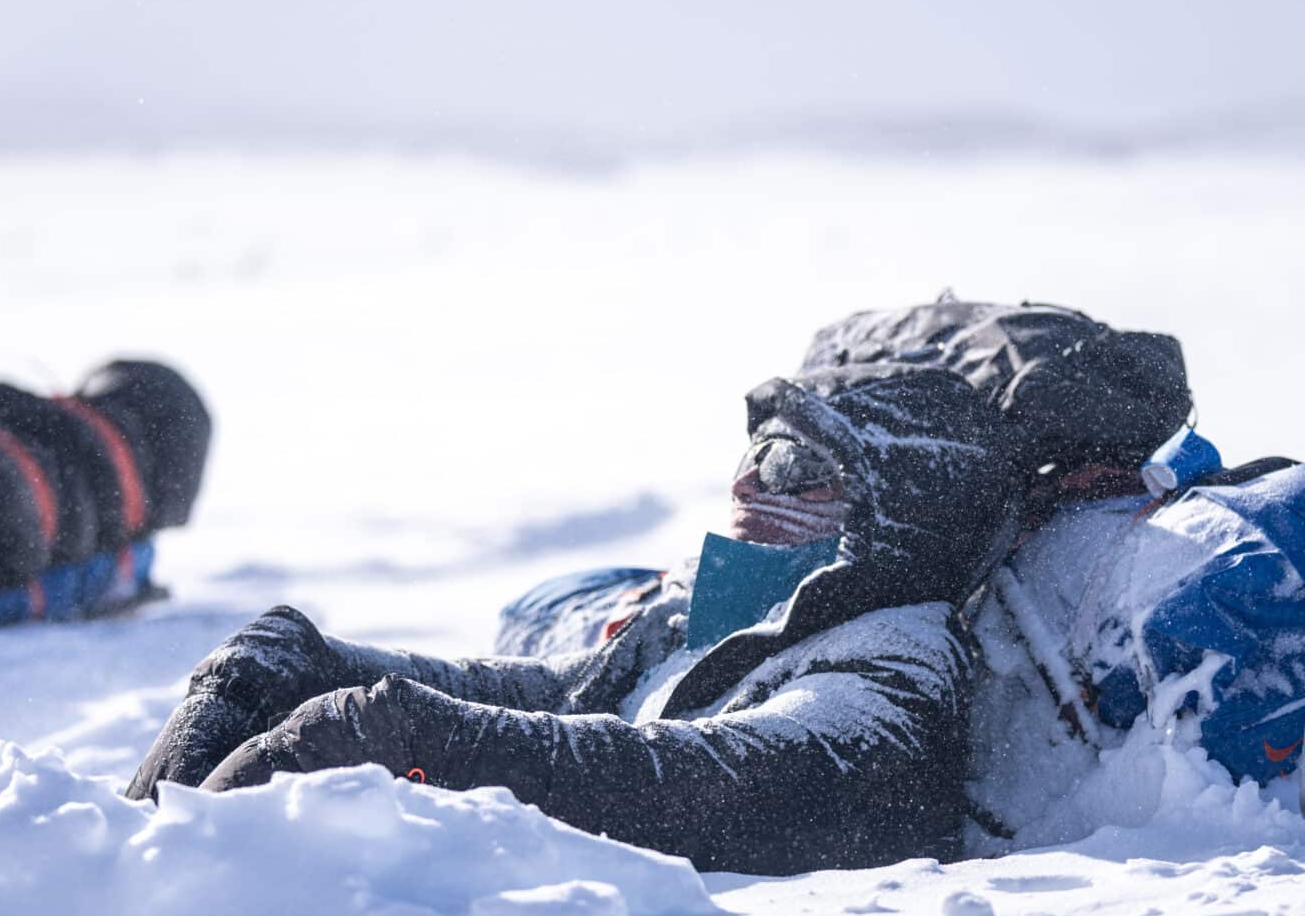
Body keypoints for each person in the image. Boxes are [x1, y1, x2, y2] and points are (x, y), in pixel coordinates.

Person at [128, 362, 1024, 874]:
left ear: (892, 507)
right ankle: (113, 868)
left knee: (368, 721)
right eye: (754, 451)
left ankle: (157, 906)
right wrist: (308, 667)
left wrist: (405, 732)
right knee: (275, 655)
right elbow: (568, 695)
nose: (748, 480)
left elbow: (699, 781)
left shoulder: (889, 668)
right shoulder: (727, 615)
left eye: (792, 463)